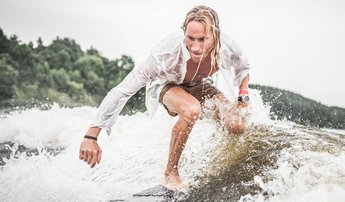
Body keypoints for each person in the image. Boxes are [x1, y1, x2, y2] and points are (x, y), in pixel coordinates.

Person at [79, 5, 250, 191]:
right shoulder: (165, 53)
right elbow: (123, 90)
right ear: (184, 31)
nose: (195, 47)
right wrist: (91, 136)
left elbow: (243, 68)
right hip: (167, 86)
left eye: (202, 39)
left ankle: (214, 162)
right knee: (192, 109)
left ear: (215, 34)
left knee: (236, 124)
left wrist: (242, 99)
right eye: (190, 38)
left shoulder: (228, 47)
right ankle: (171, 173)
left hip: (200, 85)